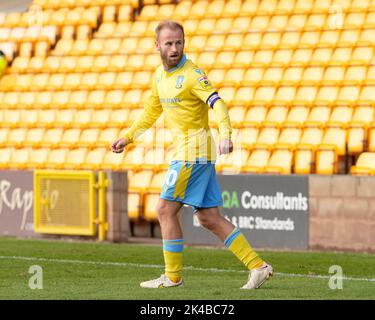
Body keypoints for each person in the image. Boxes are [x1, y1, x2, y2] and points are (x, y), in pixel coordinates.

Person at [111, 20, 273, 290]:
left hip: (194, 151)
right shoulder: (160, 77)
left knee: (164, 209)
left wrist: (226, 135)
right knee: (209, 218)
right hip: (192, 152)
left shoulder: (193, 74)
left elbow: (217, 103)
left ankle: (173, 277)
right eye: (169, 43)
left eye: (179, 42)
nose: (175, 48)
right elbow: (151, 113)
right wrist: (127, 137)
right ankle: (258, 267)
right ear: (157, 46)